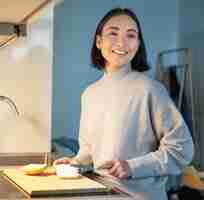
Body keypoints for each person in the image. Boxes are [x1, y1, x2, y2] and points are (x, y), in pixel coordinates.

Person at [54, 8, 194, 199]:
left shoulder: (150, 89)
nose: (121, 42)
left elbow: (181, 149)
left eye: (131, 35)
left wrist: (132, 167)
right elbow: (88, 150)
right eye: (113, 33)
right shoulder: (90, 93)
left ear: (137, 45)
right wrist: (74, 162)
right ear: (98, 41)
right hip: (100, 191)